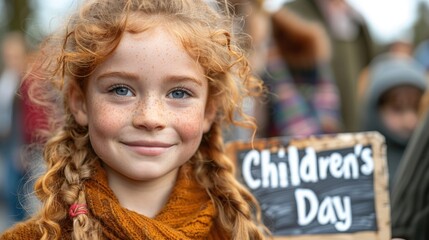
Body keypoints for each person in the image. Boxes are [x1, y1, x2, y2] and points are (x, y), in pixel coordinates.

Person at [0, 0, 269, 239]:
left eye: (179, 92)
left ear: (209, 110)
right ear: (79, 102)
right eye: (121, 90)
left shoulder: (239, 231)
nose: (150, 118)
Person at [284, 0, 375, 133]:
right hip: (307, 128)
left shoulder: (356, 20)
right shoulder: (291, 14)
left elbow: (368, 65)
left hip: (354, 120)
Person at [361, 55, 427, 193]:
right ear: (375, 109)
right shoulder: (361, 167)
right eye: (397, 108)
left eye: (416, 107)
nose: (410, 120)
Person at [0, 31, 28, 227]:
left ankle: (19, 228)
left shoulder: (25, 79)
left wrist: (22, 147)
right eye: (8, 54)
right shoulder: (6, 78)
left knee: (16, 189)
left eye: (14, 54)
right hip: (5, 139)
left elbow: (23, 117)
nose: (11, 58)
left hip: (18, 143)